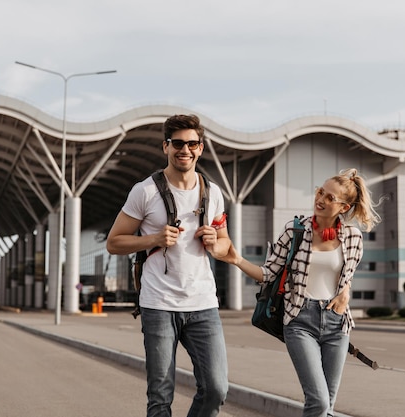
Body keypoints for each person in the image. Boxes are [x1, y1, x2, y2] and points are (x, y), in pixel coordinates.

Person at [213, 168, 381, 417]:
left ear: (344, 208)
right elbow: (268, 274)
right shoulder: (295, 231)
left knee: (328, 405)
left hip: (337, 324)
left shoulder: (353, 238)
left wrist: (345, 292)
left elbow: (345, 275)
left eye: (330, 198)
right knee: (319, 401)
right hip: (299, 320)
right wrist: (236, 259)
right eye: (320, 192)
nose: (321, 200)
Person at [106, 114, 231, 417]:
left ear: (201, 148)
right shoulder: (145, 191)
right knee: (160, 396)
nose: (184, 150)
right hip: (159, 304)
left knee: (216, 388)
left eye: (192, 144)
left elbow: (226, 246)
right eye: (177, 143)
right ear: (166, 146)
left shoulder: (213, 193)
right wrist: (152, 239)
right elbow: (114, 242)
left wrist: (216, 240)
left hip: (202, 303)